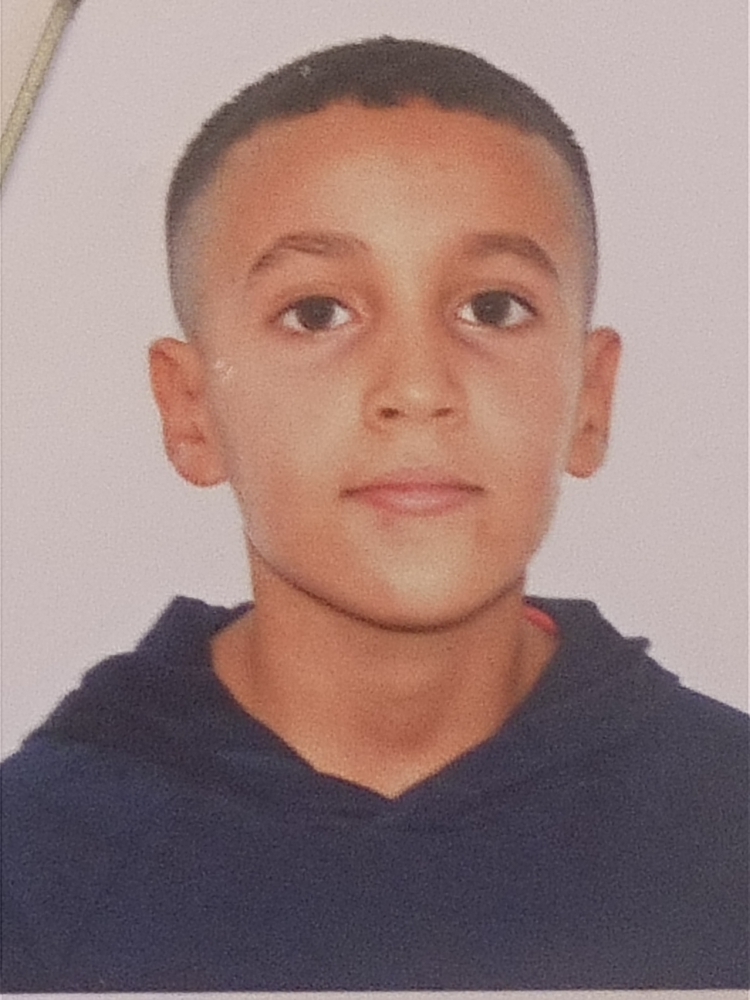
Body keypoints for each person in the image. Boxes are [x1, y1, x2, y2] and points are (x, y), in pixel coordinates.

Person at [1, 36, 746, 992]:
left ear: (590, 400)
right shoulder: (38, 869)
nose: (418, 389)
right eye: (318, 313)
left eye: (492, 308)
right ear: (191, 412)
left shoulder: (727, 826)